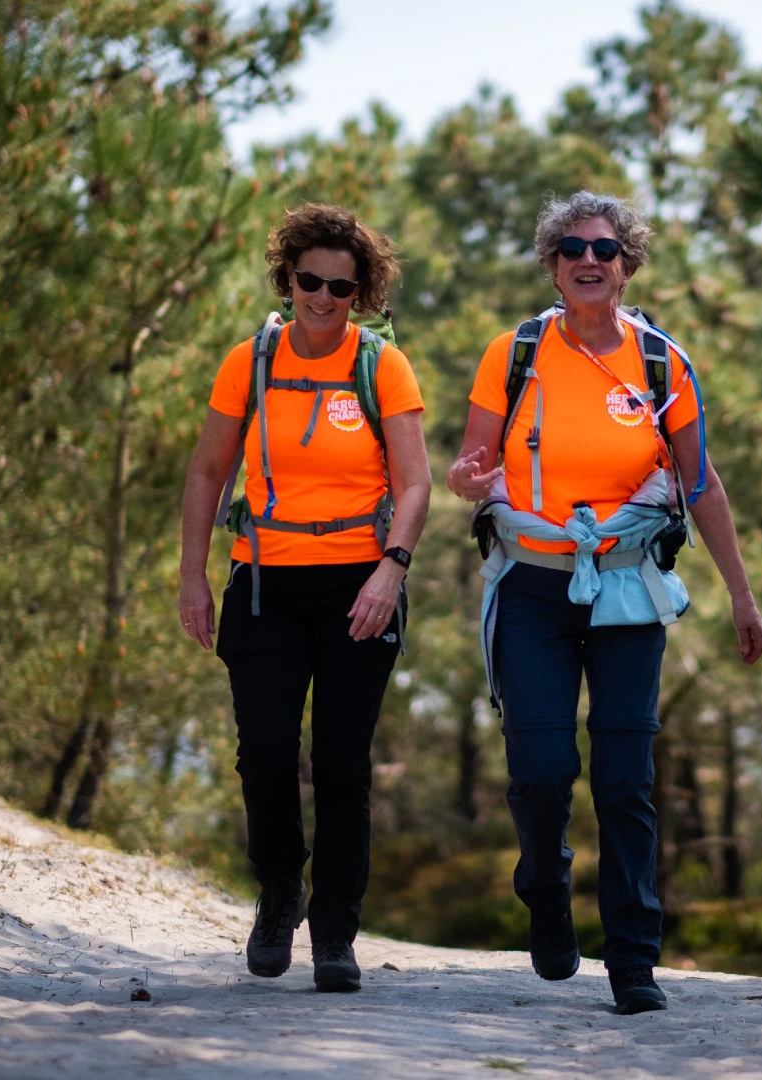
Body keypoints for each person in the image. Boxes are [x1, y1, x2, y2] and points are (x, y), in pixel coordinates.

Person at [446, 191, 762, 1015]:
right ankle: (546, 894)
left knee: (624, 779)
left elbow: (699, 483)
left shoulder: (661, 363)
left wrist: (741, 592)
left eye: (607, 248)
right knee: (543, 769)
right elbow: (471, 467)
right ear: (553, 267)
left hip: (627, 586)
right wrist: (465, 482)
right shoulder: (513, 353)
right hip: (533, 588)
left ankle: (633, 961)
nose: (591, 260)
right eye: (573, 249)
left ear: (628, 266)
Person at [178, 204, 428, 993]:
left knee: (343, 765)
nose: (323, 297)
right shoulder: (248, 361)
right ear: (287, 279)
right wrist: (192, 577)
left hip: (361, 585)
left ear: (363, 292)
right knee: (265, 757)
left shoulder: (382, 365)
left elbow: (417, 483)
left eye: (342, 287)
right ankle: (280, 888)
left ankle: (336, 935)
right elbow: (206, 474)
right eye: (310, 281)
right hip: (264, 582)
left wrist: (391, 570)